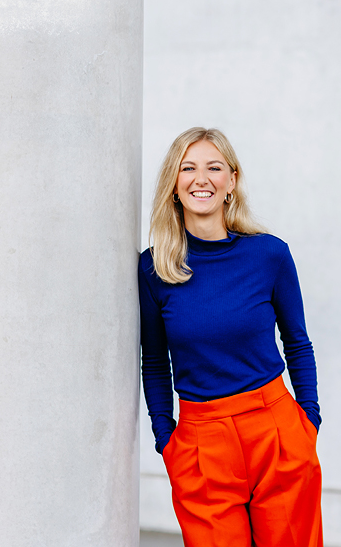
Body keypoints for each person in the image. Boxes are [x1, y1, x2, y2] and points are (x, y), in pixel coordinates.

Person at [138, 127, 322, 547]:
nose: (200, 178)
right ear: (174, 184)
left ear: (231, 182)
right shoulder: (155, 269)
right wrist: (166, 439)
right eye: (188, 168)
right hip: (201, 442)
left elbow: (297, 343)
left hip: (276, 431)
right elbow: (154, 361)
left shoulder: (269, 255)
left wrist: (307, 422)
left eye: (213, 167)